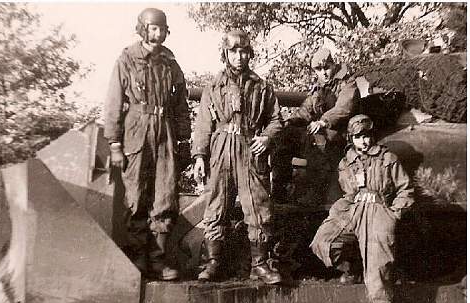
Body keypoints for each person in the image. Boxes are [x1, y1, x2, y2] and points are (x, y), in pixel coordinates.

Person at [310, 114, 414, 303]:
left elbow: (405, 190)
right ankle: (353, 268)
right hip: (354, 207)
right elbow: (347, 189)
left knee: (378, 271)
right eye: (358, 137)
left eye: (366, 136)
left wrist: (393, 214)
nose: (363, 141)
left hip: (379, 210)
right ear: (351, 138)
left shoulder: (388, 158)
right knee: (323, 242)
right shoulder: (347, 160)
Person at [104, 8, 191, 280]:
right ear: (142, 29)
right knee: (136, 196)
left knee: (165, 195)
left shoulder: (170, 63)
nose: (158, 34)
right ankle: (137, 259)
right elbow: (114, 102)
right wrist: (115, 144)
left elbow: (181, 105)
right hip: (136, 130)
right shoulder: (127, 59)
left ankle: (158, 260)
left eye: (162, 29)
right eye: (153, 28)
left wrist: (184, 139)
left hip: (165, 131)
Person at [192, 29, 283, 284]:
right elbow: (202, 125)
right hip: (221, 147)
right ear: (225, 54)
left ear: (250, 54)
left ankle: (260, 264)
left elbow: (276, 120)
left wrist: (266, 137)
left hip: (250, 147)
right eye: (234, 52)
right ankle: (213, 262)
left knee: (258, 206)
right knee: (216, 205)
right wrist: (199, 156)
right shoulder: (213, 86)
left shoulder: (262, 87)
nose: (239, 57)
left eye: (244, 51)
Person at [271, 47, 361, 203]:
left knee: (317, 141)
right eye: (319, 69)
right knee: (284, 137)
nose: (324, 73)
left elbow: (344, 108)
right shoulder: (319, 88)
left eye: (326, 67)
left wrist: (323, 121)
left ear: (334, 65)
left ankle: (315, 191)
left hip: (342, 133)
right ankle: (280, 188)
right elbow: (307, 109)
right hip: (322, 131)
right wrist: (290, 122)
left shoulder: (347, 83)